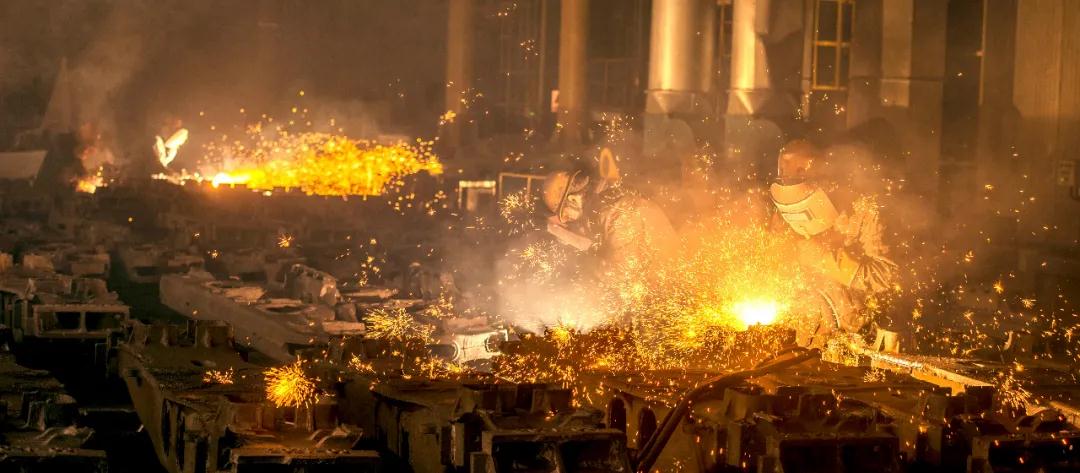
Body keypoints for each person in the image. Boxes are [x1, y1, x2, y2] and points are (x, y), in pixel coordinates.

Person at [768, 139, 898, 347]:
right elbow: (774, 266)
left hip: (862, 338)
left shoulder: (865, 210)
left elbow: (887, 277)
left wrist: (826, 259)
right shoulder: (787, 209)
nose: (789, 180)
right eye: (784, 175)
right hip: (812, 329)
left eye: (797, 175)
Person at [540, 167, 678, 316]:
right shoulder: (607, 206)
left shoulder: (619, 212)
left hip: (667, 298)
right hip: (657, 292)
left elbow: (623, 276)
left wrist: (587, 261)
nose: (567, 220)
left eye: (564, 213)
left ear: (573, 199)